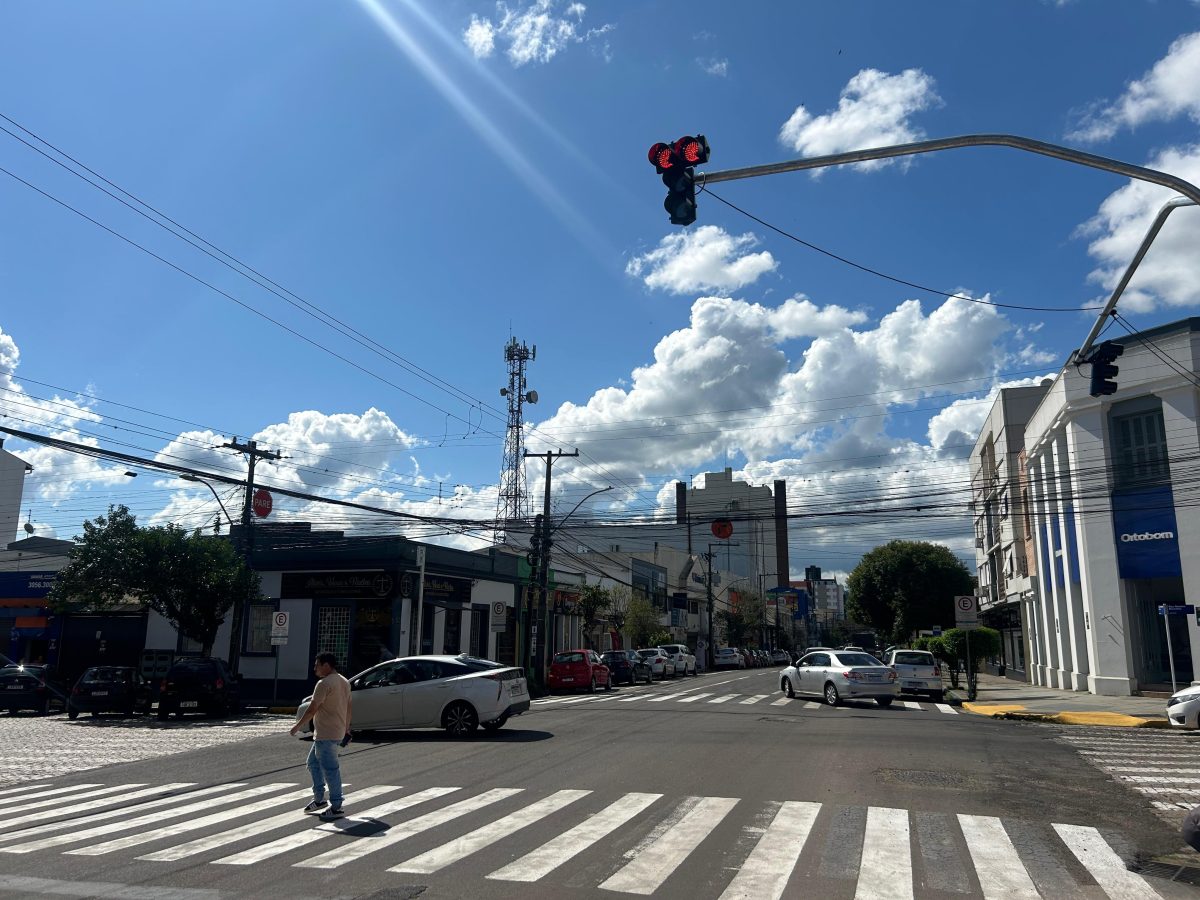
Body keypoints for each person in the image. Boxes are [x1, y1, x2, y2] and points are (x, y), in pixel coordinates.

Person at [289, 652, 352, 821]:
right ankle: (319, 799)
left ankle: (337, 805)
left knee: (330, 769)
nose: (314, 668)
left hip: (326, 734)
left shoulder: (323, 683)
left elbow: (312, 708)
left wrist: (297, 725)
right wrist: (346, 728)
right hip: (332, 732)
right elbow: (349, 707)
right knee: (313, 763)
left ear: (326, 665)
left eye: (317, 665)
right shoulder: (344, 681)